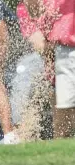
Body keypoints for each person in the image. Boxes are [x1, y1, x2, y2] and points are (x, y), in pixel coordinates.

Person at [16, 0, 75, 137]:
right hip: (57, 64)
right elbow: (40, 46)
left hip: (63, 55)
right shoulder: (23, 8)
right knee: (63, 121)